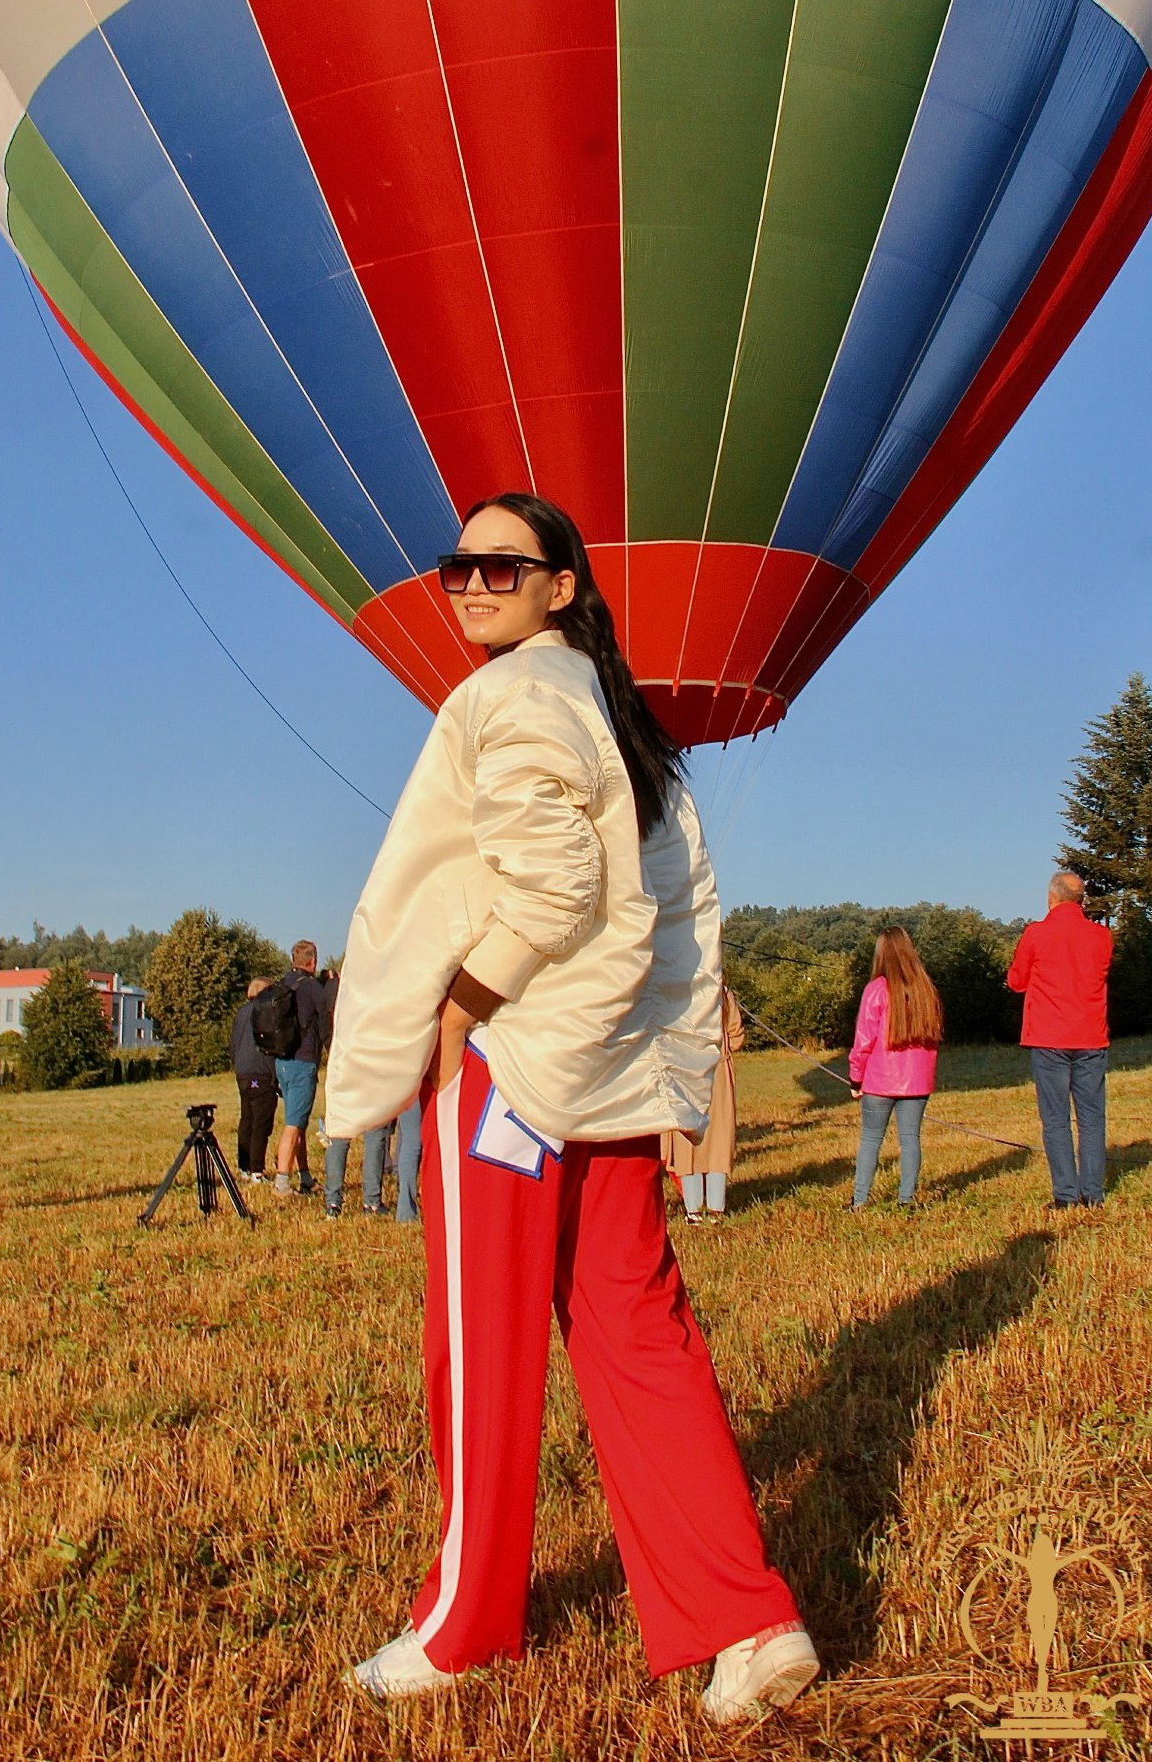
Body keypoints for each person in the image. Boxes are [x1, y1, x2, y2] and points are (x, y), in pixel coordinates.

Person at [325, 492, 817, 1725]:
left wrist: (457, 1010)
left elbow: (552, 887)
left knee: (479, 1347)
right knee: (637, 1330)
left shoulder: (508, 698)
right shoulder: (620, 714)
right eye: (460, 565)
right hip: (601, 1065)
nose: (476, 583)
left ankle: (466, 1624)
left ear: (562, 585)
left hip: (509, 1057)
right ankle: (747, 1619)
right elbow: (662, 904)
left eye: (507, 564)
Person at [1006, 873, 1113, 1209]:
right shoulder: (1102, 936)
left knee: (1055, 1118)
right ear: (1080, 900)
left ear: (1052, 897)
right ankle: (1092, 1193)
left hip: (1050, 1036)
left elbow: (1017, 980)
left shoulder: (1036, 934)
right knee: (1092, 1118)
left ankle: (1066, 1195)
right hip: (1091, 1036)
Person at [848, 928, 942, 1210]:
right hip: (917, 1081)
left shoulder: (876, 990)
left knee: (870, 1139)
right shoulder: (926, 990)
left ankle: (860, 1200)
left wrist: (855, 1078)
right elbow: (934, 1040)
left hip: (879, 1080)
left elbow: (863, 1040)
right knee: (910, 1140)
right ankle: (907, 1199)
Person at [663, 984, 743, 1224]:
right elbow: (737, 1035)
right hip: (717, 1070)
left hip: (684, 1070)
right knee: (716, 1139)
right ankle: (716, 1209)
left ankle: (693, 1210)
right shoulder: (723, 991)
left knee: (689, 1141)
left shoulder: (675, 989)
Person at [271, 939, 328, 1199]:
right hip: (303, 1061)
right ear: (313, 962)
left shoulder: (282, 985)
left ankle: (305, 1177)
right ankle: (281, 1182)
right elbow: (326, 1018)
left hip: (281, 1061)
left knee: (299, 1120)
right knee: (294, 1124)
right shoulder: (312, 987)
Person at [229, 975, 279, 1182]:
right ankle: (257, 1170)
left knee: (246, 1119)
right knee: (261, 1122)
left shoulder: (241, 1012)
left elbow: (233, 1043)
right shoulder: (266, 1011)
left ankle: (244, 1167)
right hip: (260, 1072)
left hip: (242, 1073)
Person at [391, 1097, 423, 1224]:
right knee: (413, 1143)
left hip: (404, 1086)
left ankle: (406, 1207)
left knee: (409, 1141)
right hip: (420, 1086)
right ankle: (406, 1209)